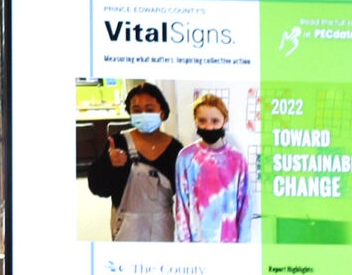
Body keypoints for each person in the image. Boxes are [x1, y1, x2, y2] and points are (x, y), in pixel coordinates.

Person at [86, 82, 178, 241]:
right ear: (130, 113)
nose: (143, 114)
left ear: (162, 112)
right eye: (137, 110)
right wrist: (109, 165)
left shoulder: (175, 149)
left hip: (163, 228)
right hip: (127, 229)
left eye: (149, 110)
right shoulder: (118, 143)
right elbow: (98, 188)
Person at [174, 92, 258, 243]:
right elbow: (182, 205)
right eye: (202, 121)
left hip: (229, 242)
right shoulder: (186, 157)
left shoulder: (237, 159)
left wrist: (243, 244)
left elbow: (245, 205)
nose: (209, 126)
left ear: (224, 120)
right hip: (196, 241)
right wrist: (184, 244)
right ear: (195, 121)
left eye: (215, 121)